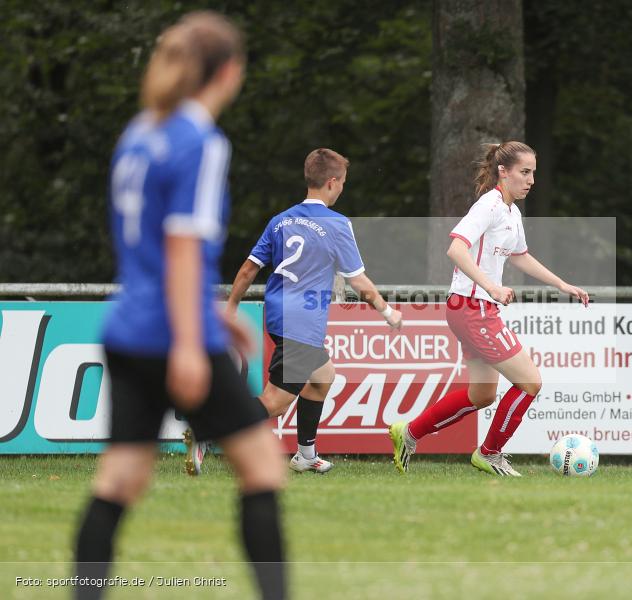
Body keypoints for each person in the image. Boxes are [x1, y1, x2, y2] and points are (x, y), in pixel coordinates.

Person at [73, 12, 286, 600]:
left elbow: (146, 249)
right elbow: (182, 244)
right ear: (229, 72)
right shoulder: (200, 139)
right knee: (264, 470)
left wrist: (208, 310)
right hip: (171, 334)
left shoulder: (141, 131)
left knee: (119, 479)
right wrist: (193, 340)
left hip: (128, 327)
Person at [388, 141, 589, 477]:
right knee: (530, 383)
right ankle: (490, 453)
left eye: (533, 173)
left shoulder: (511, 212)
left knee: (481, 395)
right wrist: (491, 286)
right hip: (472, 308)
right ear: (503, 172)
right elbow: (455, 250)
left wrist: (561, 284)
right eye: (524, 172)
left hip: (473, 309)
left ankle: (408, 433)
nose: (531, 180)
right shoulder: (490, 205)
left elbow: (520, 255)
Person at [224, 148, 403, 474]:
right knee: (276, 402)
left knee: (322, 377)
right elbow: (359, 281)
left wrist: (232, 307)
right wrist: (388, 312)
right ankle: (213, 429)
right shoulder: (336, 224)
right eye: (343, 182)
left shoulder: (279, 221)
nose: (343, 188)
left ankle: (305, 455)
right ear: (333, 182)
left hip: (278, 317)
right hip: (302, 322)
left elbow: (249, 270)